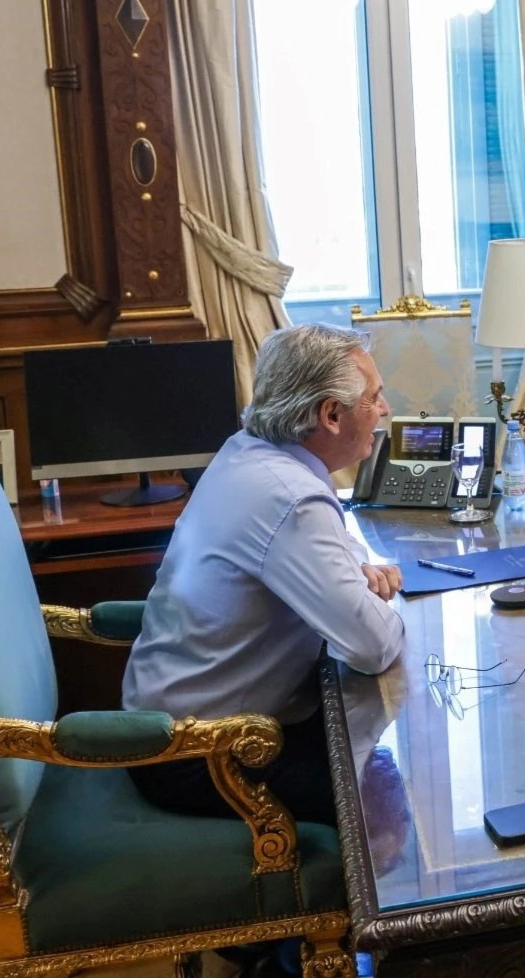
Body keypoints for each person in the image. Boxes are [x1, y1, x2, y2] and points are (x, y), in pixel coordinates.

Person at [122, 323, 404, 828]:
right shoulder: (291, 498)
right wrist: (383, 605)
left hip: (172, 721)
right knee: (393, 809)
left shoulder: (248, 452)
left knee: (376, 743)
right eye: (375, 397)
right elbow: (371, 645)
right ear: (331, 415)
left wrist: (349, 573)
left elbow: (332, 544)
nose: (383, 410)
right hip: (200, 754)